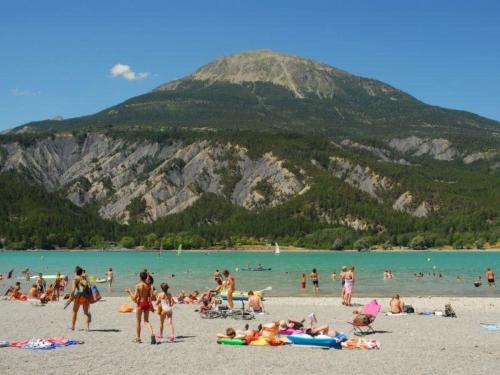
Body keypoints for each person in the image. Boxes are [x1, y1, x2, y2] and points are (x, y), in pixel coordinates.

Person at [132, 271, 156, 344]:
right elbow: (151, 297)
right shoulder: (148, 286)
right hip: (146, 303)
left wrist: (129, 292)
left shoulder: (138, 286)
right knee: (146, 321)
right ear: (145, 277)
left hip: (140, 304)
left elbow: (134, 297)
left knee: (138, 322)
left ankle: (138, 338)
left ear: (140, 277)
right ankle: (152, 334)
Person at [70, 266, 91, 331]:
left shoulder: (75, 279)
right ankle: (87, 328)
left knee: (75, 311)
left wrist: (71, 297)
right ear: (81, 272)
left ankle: (73, 326)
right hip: (86, 296)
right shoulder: (85, 279)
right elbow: (90, 286)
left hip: (79, 297)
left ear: (76, 272)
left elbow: (73, 290)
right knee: (86, 312)